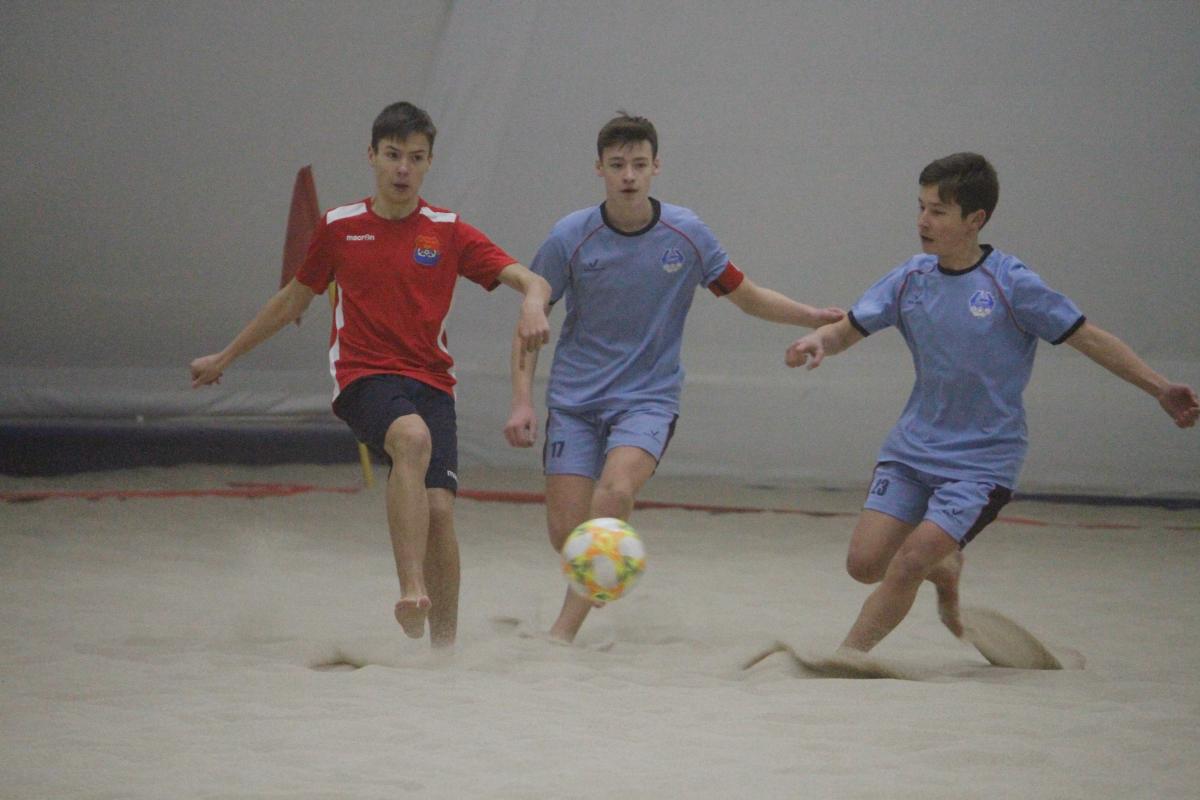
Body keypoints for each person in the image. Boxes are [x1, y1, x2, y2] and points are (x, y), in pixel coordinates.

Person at [784, 152, 1199, 656]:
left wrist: (1160, 388)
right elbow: (848, 328)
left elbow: (1089, 338)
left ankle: (847, 656)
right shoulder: (911, 278)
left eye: (938, 211)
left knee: (909, 561)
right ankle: (944, 564)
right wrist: (819, 341)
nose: (922, 221)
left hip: (982, 462)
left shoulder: (1012, 283)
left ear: (975, 219)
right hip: (912, 448)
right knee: (864, 565)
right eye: (920, 207)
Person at [191, 101, 551, 648]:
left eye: (416, 157)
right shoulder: (340, 227)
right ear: (372, 156)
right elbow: (292, 300)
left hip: (433, 383)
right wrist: (225, 357)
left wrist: (533, 303)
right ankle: (411, 590)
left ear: (429, 163)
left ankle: (443, 651)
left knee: (440, 511)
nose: (403, 168)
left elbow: (532, 279)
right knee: (411, 438)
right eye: (392, 155)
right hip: (363, 376)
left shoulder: (447, 230)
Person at [504, 112, 844, 643]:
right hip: (574, 400)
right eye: (617, 165)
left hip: (648, 397)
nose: (629, 176)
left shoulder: (687, 234)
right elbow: (529, 322)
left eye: (639, 164)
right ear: (599, 169)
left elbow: (747, 295)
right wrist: (523, 400)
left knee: (615, 493)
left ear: (656, 167)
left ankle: (561, 635)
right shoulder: (570, 236)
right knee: (568, 537)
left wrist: (811, 318)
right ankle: (602, 574)